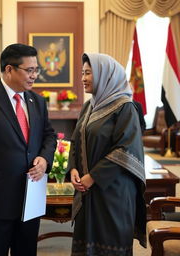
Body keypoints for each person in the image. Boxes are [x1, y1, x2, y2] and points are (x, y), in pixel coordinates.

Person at [0, 43, 57, 256]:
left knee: (26, 251)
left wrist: (44, 159)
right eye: (29, 70)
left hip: (31, 194)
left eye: (36, 70)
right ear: (9, 69)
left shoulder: (37, 101)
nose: (34, 75)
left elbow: (48, 135)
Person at [67, 53, 147, 256]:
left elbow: (125, 150)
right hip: (87, 191)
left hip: (113, 192)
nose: (83, 78)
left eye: (88, 73)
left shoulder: (125, 108)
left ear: (105, 75)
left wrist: (92, 177)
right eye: (82, 73)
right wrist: (74, 169)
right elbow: (75, 140)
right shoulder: (88, 106)